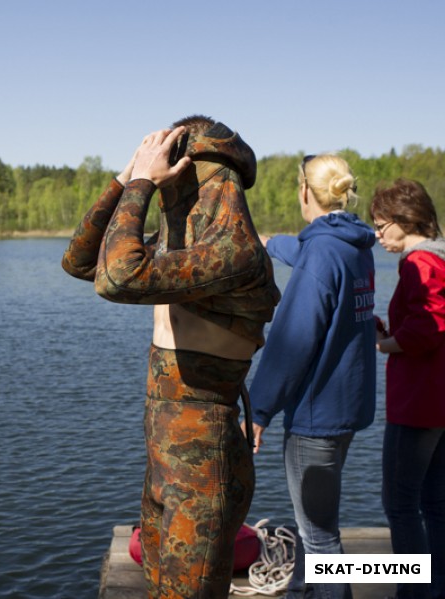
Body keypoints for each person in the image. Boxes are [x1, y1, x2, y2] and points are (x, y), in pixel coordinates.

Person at [62, 115, 280, 598]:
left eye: (175, 173)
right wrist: (126, 178)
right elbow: (79, 260)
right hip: (164, 459)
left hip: (204, 463)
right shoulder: (183, 251)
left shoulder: (233, 254)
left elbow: (116, 278)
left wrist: (142, 182)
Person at [245, 154, 377, 599]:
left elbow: (291, 342)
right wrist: (269, 243)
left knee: (320, 538)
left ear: (305, 191)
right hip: (345, 411)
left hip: (315, 420)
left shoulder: (323, 253)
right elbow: (310, 255)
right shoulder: (352, 246)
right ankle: (304, 592)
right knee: (314, 528)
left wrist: (258, 410)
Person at [371, 178, 445, 599]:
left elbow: (426, 329)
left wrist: (384, 344)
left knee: (400, 506)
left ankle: (415, 594)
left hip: (417, 405)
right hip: (438, 403)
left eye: (382, 227)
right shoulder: (440, 257)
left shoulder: (421, 262)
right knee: (435, 504)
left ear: (403, 220)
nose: (378, 236)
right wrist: (391, 327)